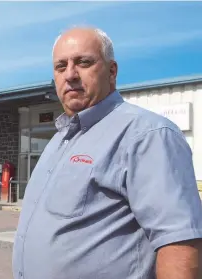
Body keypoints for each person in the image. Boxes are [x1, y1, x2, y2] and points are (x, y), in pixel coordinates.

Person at [12, 26, 202, 279]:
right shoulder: (59, 140)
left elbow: (179, 243)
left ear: (112, 71)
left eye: (83, 62)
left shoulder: (147, 135)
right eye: (60, 66)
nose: (70, 75)